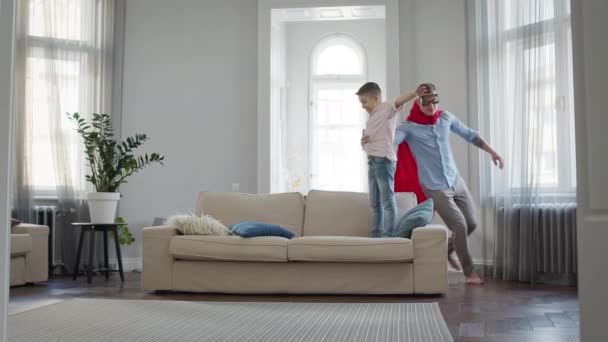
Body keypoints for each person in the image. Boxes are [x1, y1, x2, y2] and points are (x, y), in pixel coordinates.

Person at [391, 83, 504, 285]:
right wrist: (372, 141)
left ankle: (447, 250)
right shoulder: (409, 129)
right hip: (435, 187)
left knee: (471, 223)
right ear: (418, 101)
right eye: (426, 102)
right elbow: (391, 142)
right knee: (459, 225)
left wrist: (492, 152)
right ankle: (470, 273)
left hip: (455, 181)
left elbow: (470, 135)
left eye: (434, 101)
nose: (431, 106)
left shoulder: (445, 118)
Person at [357, 82, 430, 238]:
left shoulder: (386, 108)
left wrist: (414, 93)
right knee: (375, 204)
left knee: (387, 203)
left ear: (375, 98)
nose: (362, 106)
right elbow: (374, 140)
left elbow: (399, 100)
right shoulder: (372, 117)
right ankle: (376, 237)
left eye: (364, 101)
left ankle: (388, 238)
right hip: (372, 161)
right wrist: (364, 143)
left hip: (383, 162)